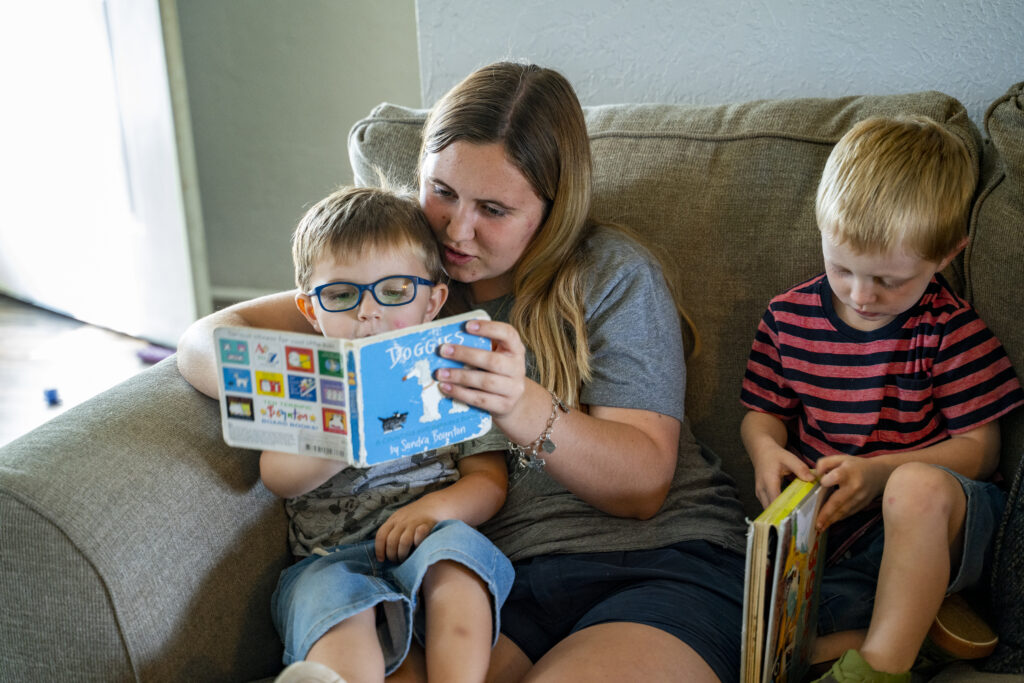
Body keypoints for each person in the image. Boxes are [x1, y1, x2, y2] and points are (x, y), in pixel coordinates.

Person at [178, 61, 749, 683]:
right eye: (443, 192)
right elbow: (205, 344)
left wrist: (521, 404)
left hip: (652, 564)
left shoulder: (608, 274)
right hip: (493, 580)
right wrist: (339, 397)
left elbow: (642, 488)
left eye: (494, 210)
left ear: (550, 212)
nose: (457, 230)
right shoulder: (398, 283)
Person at [740, 116, 1024, 683]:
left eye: (890, 281)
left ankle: (881, 668)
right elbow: (763, 414)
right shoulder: (787, 318)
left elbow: (981, 452)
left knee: (913, 488)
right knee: (777, 649)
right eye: (842, 268)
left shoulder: (948, 331)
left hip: (944, 523)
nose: (861, 295)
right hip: (843, 548)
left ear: (946, 255)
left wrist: (880, 474)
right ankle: (916, 637)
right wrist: (766, 453)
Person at [262, 186, 513, 683]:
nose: (367, 313)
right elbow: (277, 476)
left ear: (433, 302)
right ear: (311, 310)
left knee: (458, 571)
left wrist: (434, 511)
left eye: (394, 291)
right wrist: (342, 435)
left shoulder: (452, 372)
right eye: (340, 294)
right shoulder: (308, 383)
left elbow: (489, 482)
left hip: (433, 537)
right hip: (328, 561)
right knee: (339, 614)